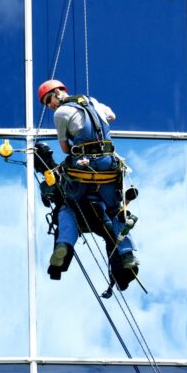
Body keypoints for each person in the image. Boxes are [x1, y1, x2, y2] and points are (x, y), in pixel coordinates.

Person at [36, 79, 139, 287]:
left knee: (68, 207)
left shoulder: (60, 114)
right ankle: (127, 252)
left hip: (82, 169)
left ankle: (64, 243)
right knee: (115, 210)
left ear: (57, 94)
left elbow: (65, 149)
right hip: (109, 165)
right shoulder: (92, 101)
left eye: (48, 101)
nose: (50, 106)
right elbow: (111, 116)